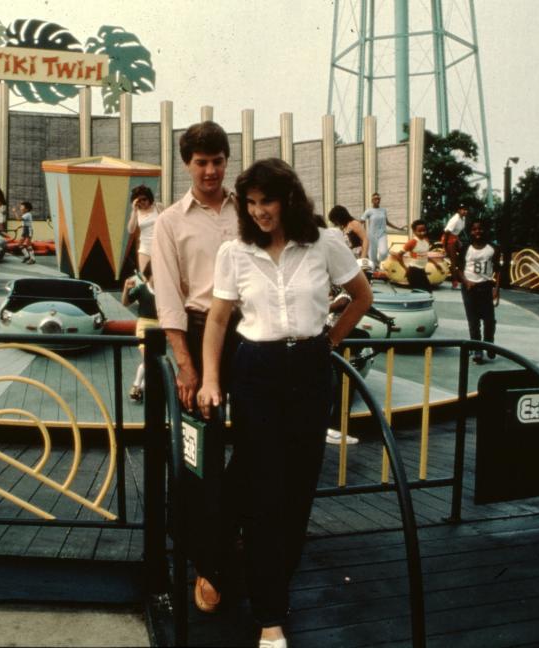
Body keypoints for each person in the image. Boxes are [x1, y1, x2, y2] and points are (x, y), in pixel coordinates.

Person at [197, 159, 373, 648]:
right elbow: (217, 321)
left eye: (266, 202)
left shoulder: (324, 244)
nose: (258, 213)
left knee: (296, 492)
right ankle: (269, 615)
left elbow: (360, 295)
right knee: (264, 494)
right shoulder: (235, 252)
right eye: (250, 204)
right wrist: (213, 379)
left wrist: (330, 341)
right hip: (256, 372)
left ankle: (219, 561)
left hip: (310, 372)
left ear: (289, 199)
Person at [150, 120, 240, 614]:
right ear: (187, 165)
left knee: (258, 445)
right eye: (201, 162)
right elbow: (169, 297)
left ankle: (233, 533)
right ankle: (207, 561)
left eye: (217, 161)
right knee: (200, 453)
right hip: (203, 334)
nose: (210, 171)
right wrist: (185, 365)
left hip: (253, 335)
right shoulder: (171, 221)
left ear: (227, 161)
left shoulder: (245, 210)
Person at [456, 219, 501, 364]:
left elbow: (498, 271)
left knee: (489, 320)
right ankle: (477, 350)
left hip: (486, 286)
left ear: (485, 230)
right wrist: (466, 281)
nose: (477, 232)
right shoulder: (466, 248)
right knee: (473, 321)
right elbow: (459, 269)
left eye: (480, 229)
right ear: (470, 232)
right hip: (470, 288)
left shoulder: (493, 248)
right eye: (474, 229)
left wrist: (496, 289)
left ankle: (489, 343)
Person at [121, 262, 158, 403]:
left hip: (160, 328)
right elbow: (125, 303)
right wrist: (126, 289)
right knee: (148, 358)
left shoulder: (164, 291)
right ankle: (136, 385)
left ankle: (141, 388)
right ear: (149, 276)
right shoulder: (141, 289)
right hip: (144, 326)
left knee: (153, 361)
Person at [391, 219, 442, 292]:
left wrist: (435, 263)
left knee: (427, 292)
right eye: (419, 231)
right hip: (413, 271)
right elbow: (399, 255)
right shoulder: (412, 242)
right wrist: (405, 268)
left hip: (422, 270)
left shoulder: (426, 240)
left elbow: (424, 255)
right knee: (420, 292)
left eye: (424, 230)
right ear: (414, 231)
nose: (422, 233)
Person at [127, 185, 160, 273]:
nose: (142, 202)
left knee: (160, 275)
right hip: (145, 248)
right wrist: (134, 210)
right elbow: (131, 229)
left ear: (149, 198)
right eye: (139, 200)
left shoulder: (158, 207)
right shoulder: (136, 212)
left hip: (159, 246)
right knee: (144, 277)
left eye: (144, 199)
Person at [359, 192, 388, 269]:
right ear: (372, 200)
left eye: (378, 199)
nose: (377, 200)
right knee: (372, 255)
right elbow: (361, 221)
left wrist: (398, 228)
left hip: (382, 234)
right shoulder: (369, 211)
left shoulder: (383, 210)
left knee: (384, 252)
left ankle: (381, 264)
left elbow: (387, 222)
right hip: (371, 235)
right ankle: (374, 269)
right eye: (375, 199)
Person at [442, 204, 469, 287]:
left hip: (455, 237)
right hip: (448, 238)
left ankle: (462, 275)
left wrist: (458, 240)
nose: (465, 211)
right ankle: (454, 281)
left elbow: (457, 232)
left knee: (464, 255)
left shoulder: (463, 218)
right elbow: (447, 232)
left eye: (466, 210)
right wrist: (445, 246)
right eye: (462, 209)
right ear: (458, 210)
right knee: (453, 261)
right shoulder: (455, 219)